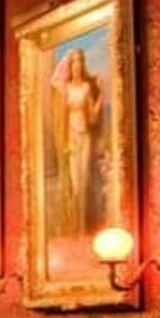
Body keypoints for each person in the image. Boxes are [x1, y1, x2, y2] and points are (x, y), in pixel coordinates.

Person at [51, 47, 103, 235]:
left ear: (82, 65)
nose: (76, 66)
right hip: (71, 139)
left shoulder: (86, 88)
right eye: (73, 62)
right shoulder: (65, 89)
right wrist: (66, 57)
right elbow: (53, 80)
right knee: (75, 184)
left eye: (79, 62)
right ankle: (74, 225)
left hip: (84, 136)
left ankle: (82, 227)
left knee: (84, 180)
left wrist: (101, 94)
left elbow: (92, 117)